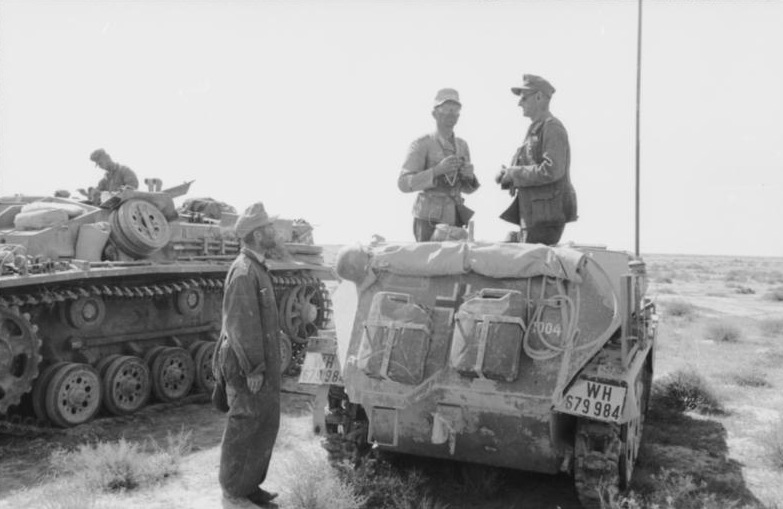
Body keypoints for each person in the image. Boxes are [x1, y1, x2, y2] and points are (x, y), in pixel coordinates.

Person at [214, 202, 282, 509]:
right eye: (268, 228)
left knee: (264, 425)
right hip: (248, 368)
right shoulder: (243, 272)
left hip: (262, 366)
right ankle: (233, 489)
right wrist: (254, 369)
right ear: (255, 235)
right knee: (244, 427)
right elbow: (241, 326)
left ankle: (250, 484)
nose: (273, 232)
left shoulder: (257, 267)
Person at [496, 74, 577, 246]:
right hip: (534, 216)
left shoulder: (552, 128)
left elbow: (552, 170)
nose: (520, 103)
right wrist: (508, 176)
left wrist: (515, 173)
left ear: (539, 97)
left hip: (545, 219)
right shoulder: (536, 129)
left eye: (524, 98)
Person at [398, 88, 480, 241]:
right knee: (427, 263)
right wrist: (436, 171)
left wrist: (469, 177)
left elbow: (466, 189)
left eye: (455, 109)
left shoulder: (462, 145)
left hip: (455, 217)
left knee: (454, 263)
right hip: (429, 219)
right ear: (434, 114)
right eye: (445, 108)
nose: (451, 113)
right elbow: (403, 183)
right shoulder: (422, 144)